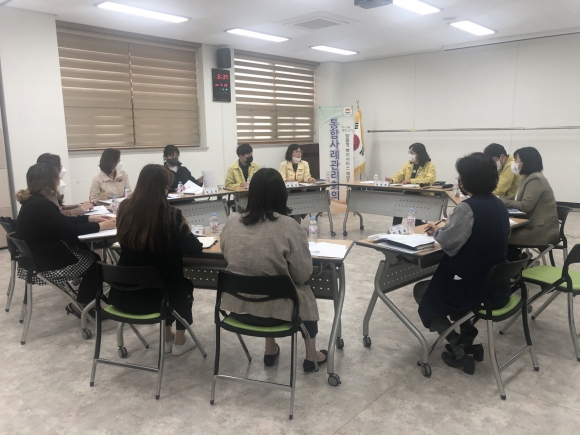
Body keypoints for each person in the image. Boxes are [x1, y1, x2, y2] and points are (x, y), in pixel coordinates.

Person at [220, 168, 327, 372]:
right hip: (279, 312)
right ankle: (311, 355)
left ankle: (270, 349)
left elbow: (227, 254)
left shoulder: (232, 221)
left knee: (259, 278)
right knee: (303, 292)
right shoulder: (289, 226)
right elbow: (303, 274)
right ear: (282, 194)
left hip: (238, 308)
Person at [415, 153, 510, 375]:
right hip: (495, 285)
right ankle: (467, 337)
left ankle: (457, 345)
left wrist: (438, 230)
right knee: (446, 288)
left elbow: (448, 242)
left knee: (423, 292)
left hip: (472, 287)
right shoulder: (499, 204)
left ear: (468, 180)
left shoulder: (467, 208)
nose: (458, 179)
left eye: (460, 176)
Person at [108, 164, 203, 356]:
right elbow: (195, 248)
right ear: (163, 188)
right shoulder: (171, 215)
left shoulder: (124, 209)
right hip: (160, 299)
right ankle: (180, 341)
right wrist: (185, 228)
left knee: (164, 282)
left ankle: (167, 338)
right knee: (182, 285)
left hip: (125, 295)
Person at [15, 163, 116, 317]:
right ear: (48, 184)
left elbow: (62, 222)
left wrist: (90, 219)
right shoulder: (42, 205)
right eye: (57, 178)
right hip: (45, 263)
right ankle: (80, 306)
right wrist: (101, 226)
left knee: (91, 256)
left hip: (37, 259)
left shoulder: (34, 201)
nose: (59, 182)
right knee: (95, 263)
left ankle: (86, 301)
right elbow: (69, 230)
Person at [499, 147, 559, 254]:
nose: (514, 163)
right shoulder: (526, 178)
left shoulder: (535, 179)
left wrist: (500, 201)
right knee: (501, 234)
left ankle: (516, 261)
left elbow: (525, 206)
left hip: (539, 231)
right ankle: (515, 260)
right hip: (531, 225)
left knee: (500, 236)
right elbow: (515, 198)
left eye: (516, 159)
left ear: (525, 162)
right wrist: (497, 199)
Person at [386, 143, 436, 226]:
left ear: (419, 153)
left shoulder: (430, 165)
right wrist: (392, 179)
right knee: (398, 210)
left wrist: (411, 181)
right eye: (409, 152)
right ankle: (395, 229)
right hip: (407, 193)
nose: (410, 154)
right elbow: (400, 175)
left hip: (423, 195)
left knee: (416, 217)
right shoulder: (408, 164)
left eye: (412, 152)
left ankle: (418, 226)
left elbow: (429, 179)